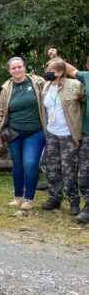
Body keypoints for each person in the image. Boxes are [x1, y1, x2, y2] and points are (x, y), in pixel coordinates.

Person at [0, 56, 45, 210]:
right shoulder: (6, 88)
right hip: (14, 133)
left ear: (25, 67)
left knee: (30, 164)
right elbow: (0, 112)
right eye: (13, 68)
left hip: (35, 131)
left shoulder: (38, 82)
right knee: (18, 165)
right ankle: (18, 197)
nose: (17, 70)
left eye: (19, 66)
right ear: (9, 71)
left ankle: (29, 198)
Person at [40, 59, 84, 215]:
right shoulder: (46, 86)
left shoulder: (74, 85)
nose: (47, 71)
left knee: (69, 170)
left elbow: (85, 102)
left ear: (59, 72)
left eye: (50, 69)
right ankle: (54, 198)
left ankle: (74, 201)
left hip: (68, 135)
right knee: (52, 168)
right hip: (51, 133)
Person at [64, 58, 89, 224]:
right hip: (88, 135)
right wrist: (55, 57)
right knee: (83, 175)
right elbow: (70, 70)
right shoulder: (86, 76)